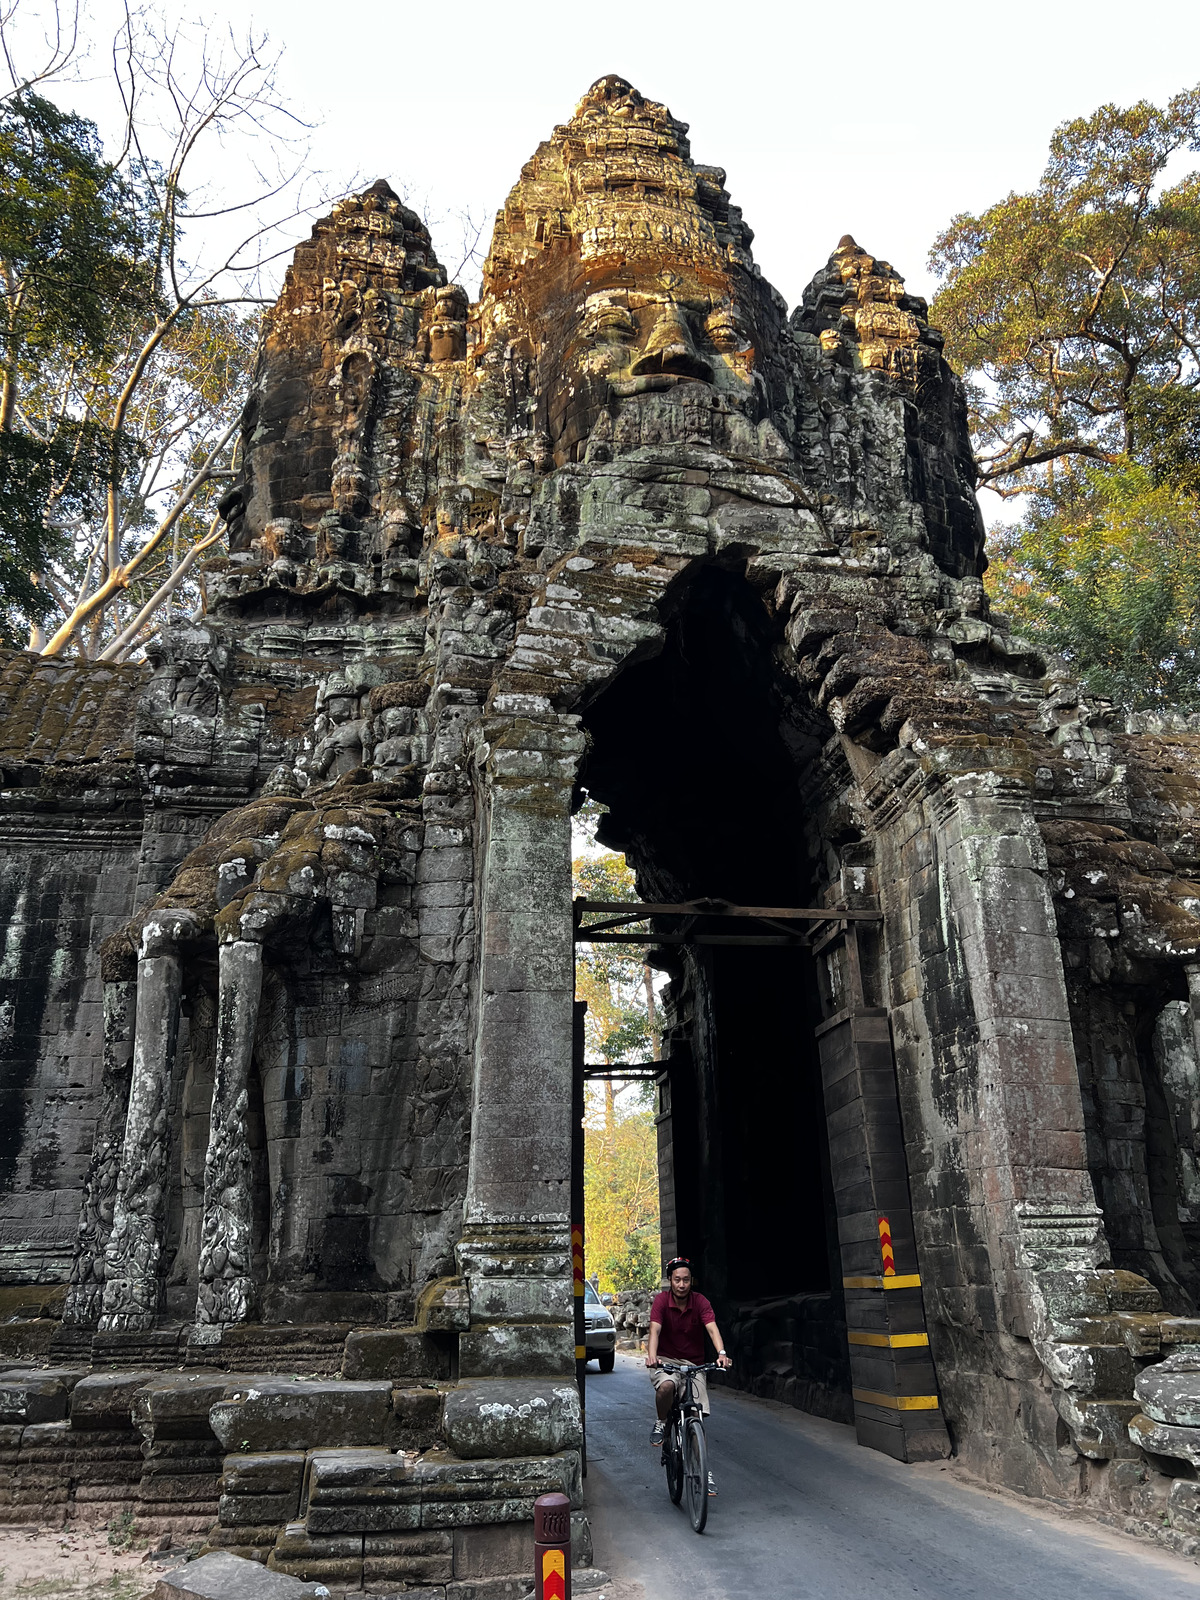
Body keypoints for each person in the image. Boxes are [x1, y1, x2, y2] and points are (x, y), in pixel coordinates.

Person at [645, 1256, 732, 1491]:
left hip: (694, 1364)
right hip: (666, 1362)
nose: (681, 1285)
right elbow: (655, 1329)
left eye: (685, 1280)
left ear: (691, 1281)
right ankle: (662, 1422)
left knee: (696, 1414)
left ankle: (704, 1470)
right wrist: (653, 1356)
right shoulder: (661, 1302)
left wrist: (721, 1353)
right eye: (677, 1280)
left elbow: (712, 1329)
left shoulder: (700, 1301)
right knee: (666, 1387)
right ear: (670, 1281)